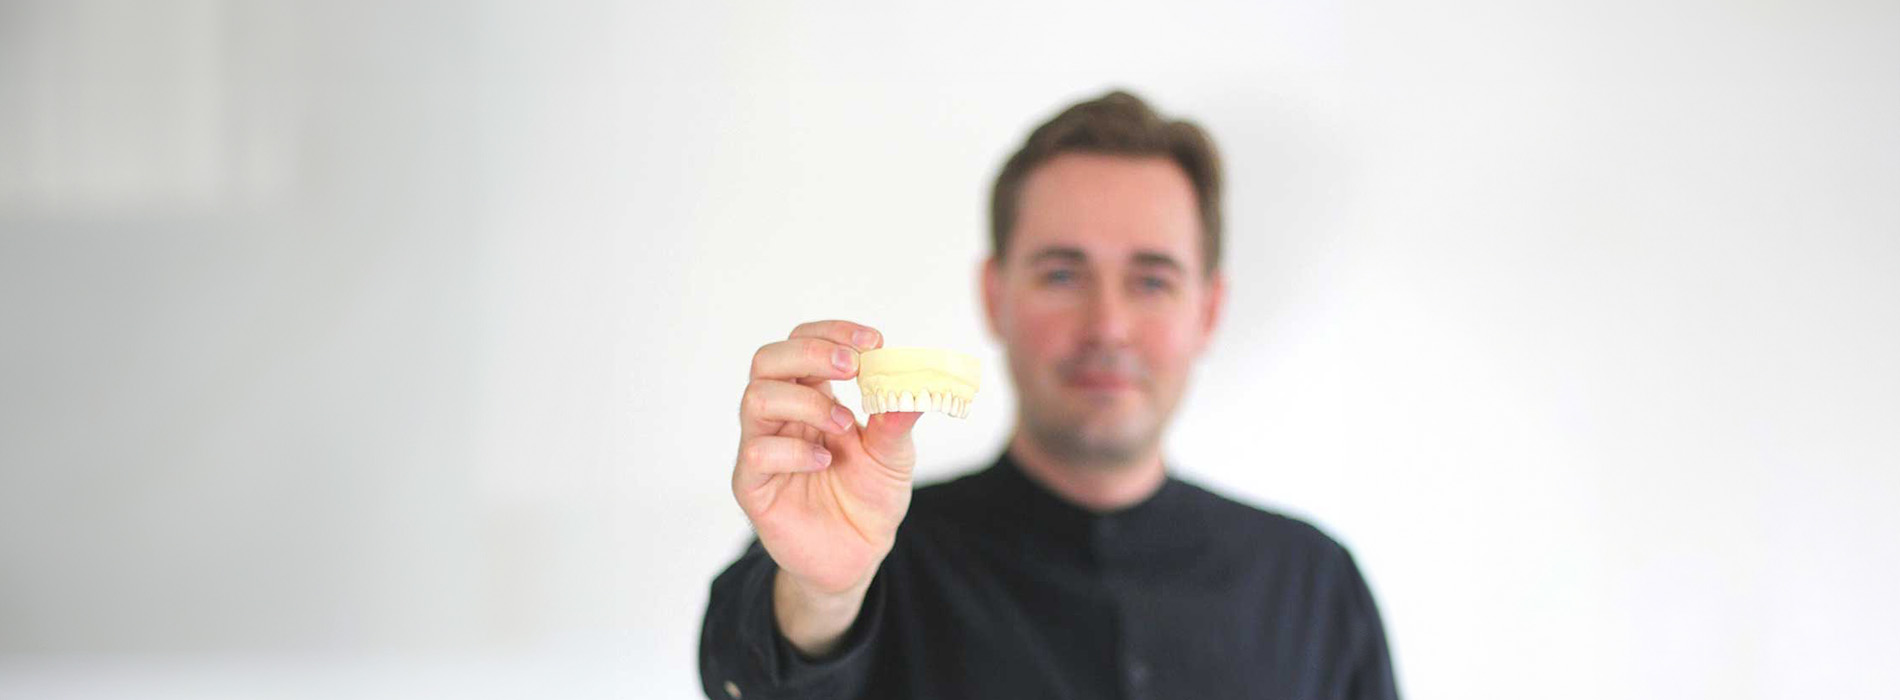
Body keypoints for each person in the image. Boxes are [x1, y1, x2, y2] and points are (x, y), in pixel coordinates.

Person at [700, 89, 1399, 700]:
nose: (1108, 327)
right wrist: (824, 594)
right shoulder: (876, 553)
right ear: (994, 296)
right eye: (1063, 275)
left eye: (1152, 280)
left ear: (1208, 312)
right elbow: (755, 677)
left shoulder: (1313, 587)